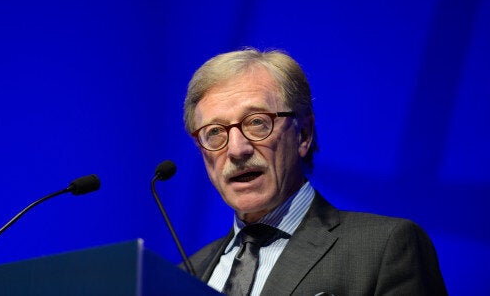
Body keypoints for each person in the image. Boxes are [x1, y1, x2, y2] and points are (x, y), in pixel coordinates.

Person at [183, 48, 447, 295]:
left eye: (257, 123)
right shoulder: (185, 275)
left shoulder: (385, 248)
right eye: (214, 132)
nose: (237, 150)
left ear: (303, 135)